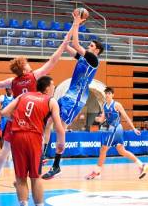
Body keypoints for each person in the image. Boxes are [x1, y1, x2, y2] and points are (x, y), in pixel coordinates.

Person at [0, 31, 71, 188]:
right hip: (33, 118)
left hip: (16, 119)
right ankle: (38, 164)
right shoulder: (34, 76)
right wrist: (63, 46)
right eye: (27, 64)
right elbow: (52, 61)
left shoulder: (12, 81)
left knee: (6, 149)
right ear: (24, 70)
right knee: (43, 132)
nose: (29, 65)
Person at [42, 11, 104, 180]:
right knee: (48, 122)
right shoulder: (83, 58)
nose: (89, 46)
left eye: (91, 45)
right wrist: (71, 29)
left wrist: (77, 22)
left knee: (59, 126)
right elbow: (68, 44)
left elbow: (76, 44)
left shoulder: (93, 60)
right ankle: (44, 154)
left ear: (96, 50)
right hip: (69, 95)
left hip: (76, 98)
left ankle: (56, 165)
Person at [0, 76, 65, 206]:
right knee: (35, 177)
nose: (54, 88)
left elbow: (4, 112)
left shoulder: (23, 96)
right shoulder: (51, 101)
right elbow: (59, 127)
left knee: (20, 177)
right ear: (47, 88)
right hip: (33, 137)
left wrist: (19, 120)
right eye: (53, 86)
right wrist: (61, 144)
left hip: (17, 136)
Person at [85, 87, 148, 180]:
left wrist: (133, 128)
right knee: (121, 151)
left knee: (103, 149)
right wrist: (96, 118)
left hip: (116, 129)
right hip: (112, 129)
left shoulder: (117, 105)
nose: (107, 95)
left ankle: (97, 172)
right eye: (106, 93)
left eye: (109, 93)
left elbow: (126, 116)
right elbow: (102, 119)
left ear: (112, 95)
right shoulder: (104, 106)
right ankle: (141, 165)